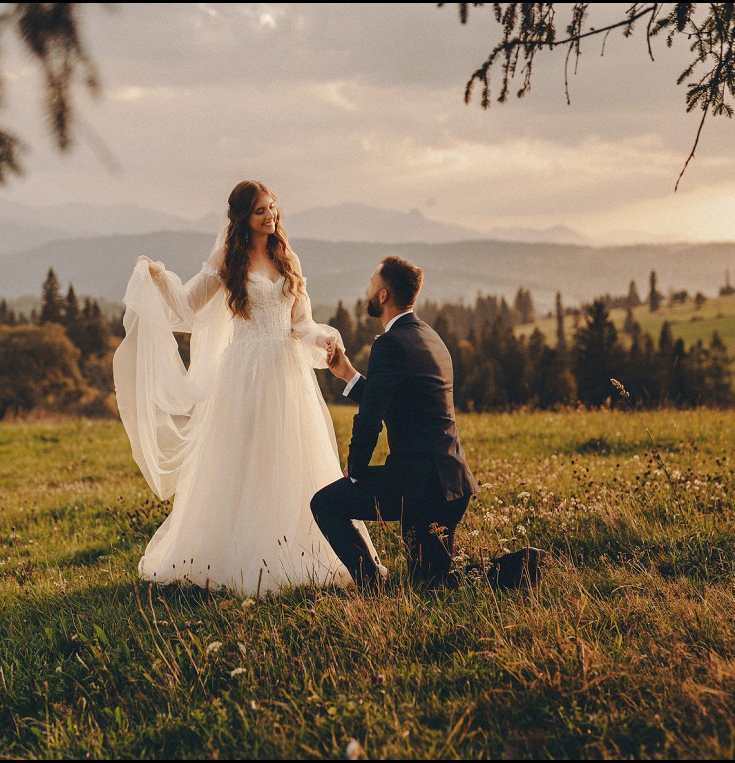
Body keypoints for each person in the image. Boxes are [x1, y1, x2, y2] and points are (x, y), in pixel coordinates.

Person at [112, 180, 381, 596]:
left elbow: (300, 324)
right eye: (260, 211)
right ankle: (242, 557)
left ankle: (311, 550)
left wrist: (324, 339)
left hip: (288, 374)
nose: (270, 216)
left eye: (272, 208)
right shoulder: (228, 259)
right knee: (247, 461)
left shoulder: (286, 257)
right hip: (245, 373)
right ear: (242, 217)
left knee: (292, 458)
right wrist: (159, 276)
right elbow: (187, 306)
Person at [311, 256, 541, 591]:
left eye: (372, 284)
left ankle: (372, 586)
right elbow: (399, 403)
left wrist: (357, 471)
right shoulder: (428, 336)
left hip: (419, 487)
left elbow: (370, 419)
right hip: (451, 483)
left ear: (384, 296)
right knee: (432, 581)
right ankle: (523, 566)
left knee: (325, 503)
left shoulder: (390, 344)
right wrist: (347, 373)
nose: (368, 290)